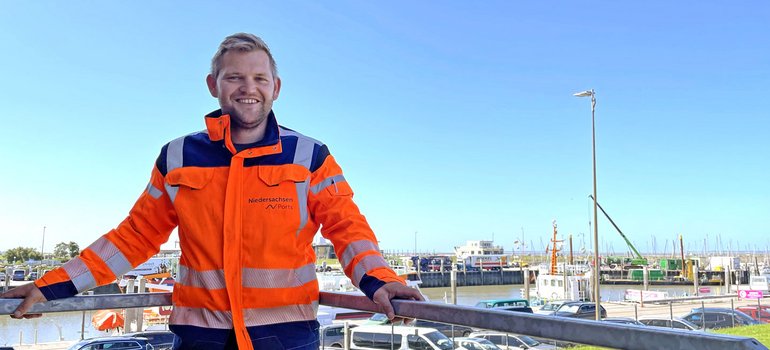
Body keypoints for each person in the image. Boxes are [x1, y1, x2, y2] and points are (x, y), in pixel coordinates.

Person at [1, 32, 423, 350]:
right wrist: (51, 286)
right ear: (212, 85)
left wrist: (381, 281)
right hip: (199, 336)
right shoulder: (177, 156)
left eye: (259, 78)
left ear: (276, 88)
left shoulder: (310, 156)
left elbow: (347, 229)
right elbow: (134, 237)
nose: (248, 88)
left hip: (286, 335)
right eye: (234, 77)